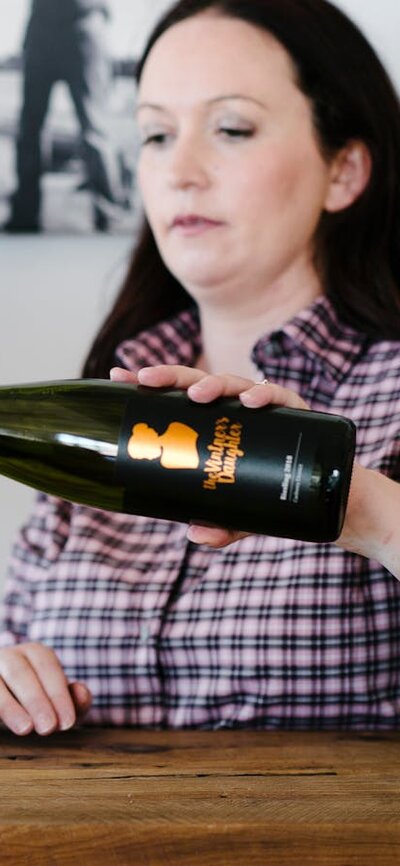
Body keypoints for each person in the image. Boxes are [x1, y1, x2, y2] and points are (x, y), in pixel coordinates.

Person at [0, 0, 400, 736]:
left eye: (231, 128)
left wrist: (364, 511)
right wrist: (13, 690)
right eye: (155, 134)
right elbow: (16, 657)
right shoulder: (106, 395)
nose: (179, 171)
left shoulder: (393, 400)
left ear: (343, 171)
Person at [3, 0, 127, 233]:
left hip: (84, 20)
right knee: (30, 127)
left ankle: (110, 216)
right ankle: (24, 216)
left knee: (95, 129)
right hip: (43, 24)